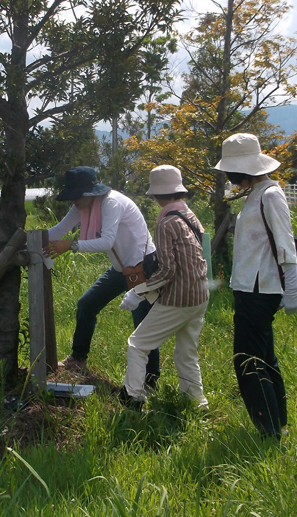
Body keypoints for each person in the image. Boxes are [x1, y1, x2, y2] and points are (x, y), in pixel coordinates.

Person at [214, 133, 297, 439]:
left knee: (248, 361)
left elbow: (286, 247)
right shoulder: (255, 193)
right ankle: (278, 425)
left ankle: (268, 430)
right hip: (250, 288)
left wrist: (291, 294)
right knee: (264, 358)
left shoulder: (270, 195)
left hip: (259, 290)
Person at [44, 166, 160, 383]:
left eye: (76, 197)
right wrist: (26, 240)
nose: (73, 202)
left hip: (143, 267)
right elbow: (58, 231)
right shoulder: (83, 205)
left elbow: (106, 240)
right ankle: (78, 360)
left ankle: (150, 381)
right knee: (87, 304)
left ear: (89, 194)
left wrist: (71, 245)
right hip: (121, 268)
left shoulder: (111, 204)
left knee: (143, 326)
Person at [119, 165, 210, 410]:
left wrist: (137, 292)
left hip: (179, 299)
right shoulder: (190, 216)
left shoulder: (166, 224)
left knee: (137, 345)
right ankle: (196, 402)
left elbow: (168, 270)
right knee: (186, 353)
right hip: (200, 295)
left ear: (157, 195)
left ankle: (133, 397)